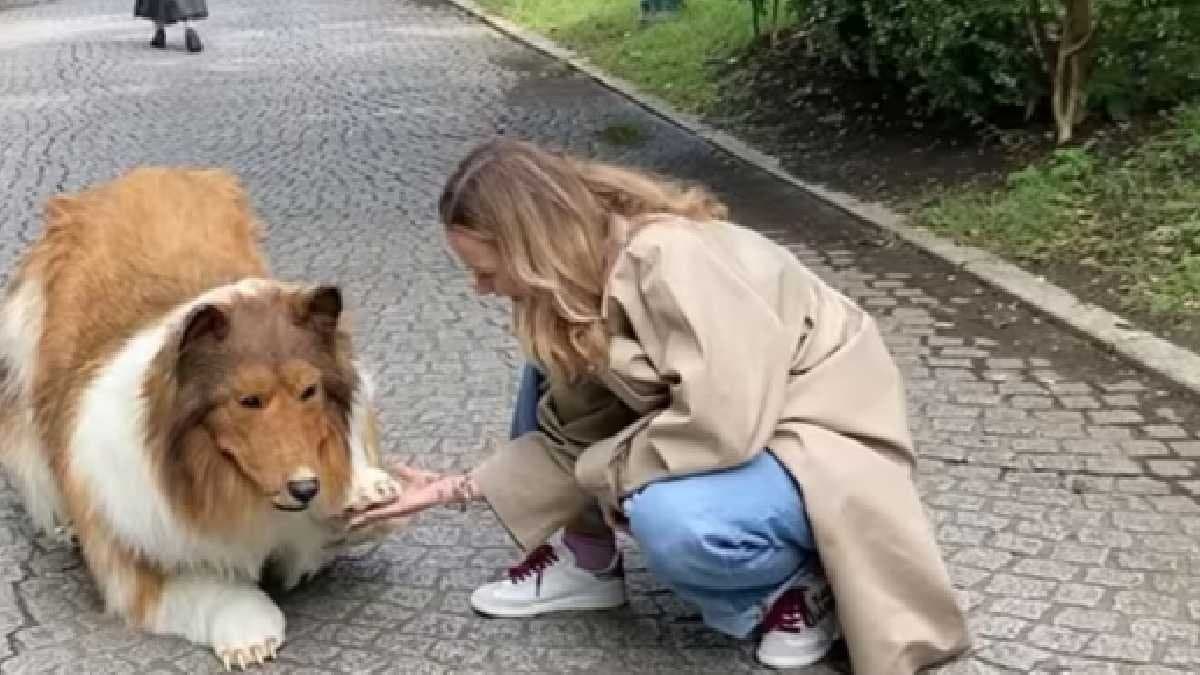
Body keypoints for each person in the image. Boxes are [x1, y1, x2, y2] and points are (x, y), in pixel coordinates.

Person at [349, 138, 970, 672]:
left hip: (816, 438)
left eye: (486, 269)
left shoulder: (673, 259)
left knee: (672, 517)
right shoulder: (579, 281)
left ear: (533, 247)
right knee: (546, 370)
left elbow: (721, 427)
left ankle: (795, 588)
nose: (479, 287)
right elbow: (573, 429)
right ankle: (586, 559)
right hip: (745, 430)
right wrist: (458, 487)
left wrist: (605, 475)